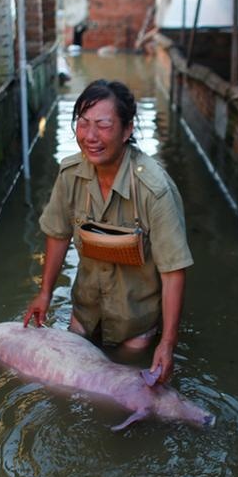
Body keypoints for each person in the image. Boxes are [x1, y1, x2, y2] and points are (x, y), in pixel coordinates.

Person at [23, 79, 193, 385]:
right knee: (70, 382)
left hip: (135, 321)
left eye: (103, 125)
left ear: (127, 130)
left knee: (126, 382)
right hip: (86, 309)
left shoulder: (154, 190)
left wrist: (167, 344)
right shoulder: (71, 174)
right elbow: (58, 234)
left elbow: (173, 271)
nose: (90, 136)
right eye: (83, 124)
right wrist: (45, 293)